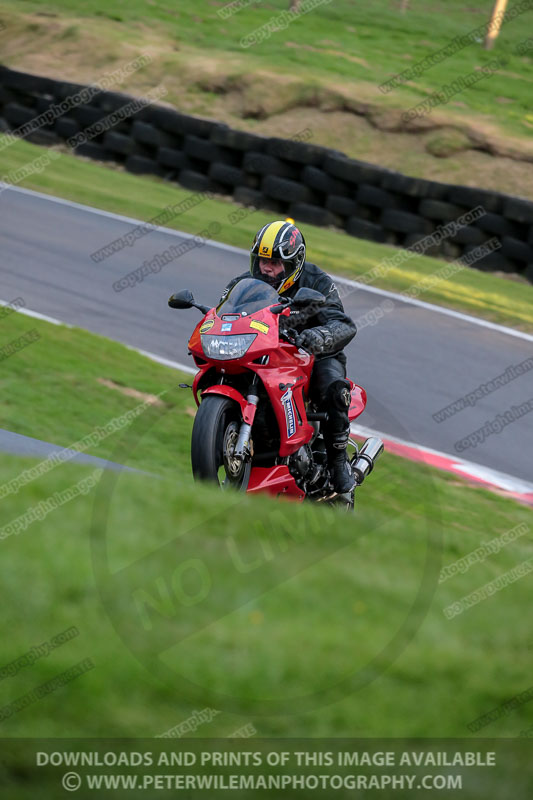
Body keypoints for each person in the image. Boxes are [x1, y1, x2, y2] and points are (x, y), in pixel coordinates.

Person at [218, 219, 357, 493]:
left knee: (333, 388)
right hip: (262, 353)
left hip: (311, 355)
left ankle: (339, 462)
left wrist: (320, 336)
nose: (267, 269)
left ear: (294, 263)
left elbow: (343, 324)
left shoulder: (317, 282)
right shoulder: (242, 284)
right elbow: (222, 316)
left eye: (276, 263)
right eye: (263, 261)